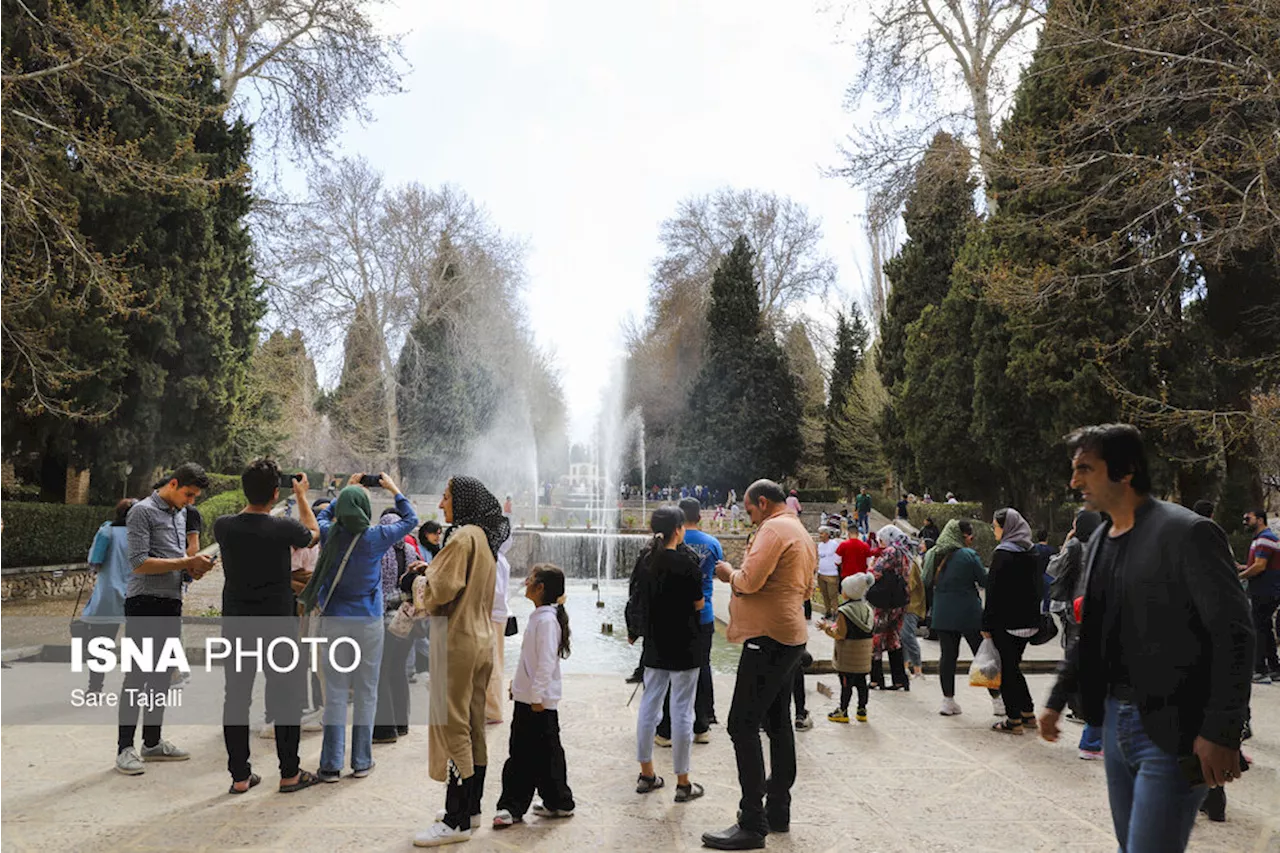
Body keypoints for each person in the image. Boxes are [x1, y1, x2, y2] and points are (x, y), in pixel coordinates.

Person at [1040, 424, 1253, 853]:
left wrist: (1222, 731)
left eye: (1086, 469)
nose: (1074, 481)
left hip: (1175, 731)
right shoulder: (1100, 538)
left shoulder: (1188, 533)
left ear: (1125, 471)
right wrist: (1057, 699)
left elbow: (1235, 633)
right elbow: (1093, 629)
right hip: (1117, 721)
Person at [703, 479, 815, 851]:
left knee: (742, 724)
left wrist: (726, 573)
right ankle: (778, 809)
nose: (749, 517)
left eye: (749, 510)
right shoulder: (800, 530)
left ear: (762, 503)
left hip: (767, 637)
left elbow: (749, 581)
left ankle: (752, 822)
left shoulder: (772, 529)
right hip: (790, 634)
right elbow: (808, 588)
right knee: (778, 721)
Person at [300, 474, 417, 784]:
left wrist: (345, 490)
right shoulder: (376, 537)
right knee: (367, 691)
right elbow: (411, 519)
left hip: (335, 621)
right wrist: (392, 488)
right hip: (368, 623)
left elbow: (321, 514)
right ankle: (362, 761)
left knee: (336, 693)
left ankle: (330, 766)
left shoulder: (329, 534)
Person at [215, 460, 322, 794]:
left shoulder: (224, 526)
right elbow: (313, 535)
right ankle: (290, 773)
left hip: (236, 625)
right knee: (286, 697)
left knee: (236, 698)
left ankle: (240, 777)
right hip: (278, 625)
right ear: (277, 493)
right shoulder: (283, 528)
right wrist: (302, 496)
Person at [411, 476, 506, 848]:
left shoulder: (462, 536)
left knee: (453, 727)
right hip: (481, 640)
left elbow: (439, 592)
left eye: (448, 496)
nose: (441, 502)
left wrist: (418, 581)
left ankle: (456, 820)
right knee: (473, 726)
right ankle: (472, 809)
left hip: (458, 641)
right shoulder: (483, 538)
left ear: (463, 501)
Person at [115, 463, 214, 776]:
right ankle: (124, 748)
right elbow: (139, 563)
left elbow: (175, 560)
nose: (191, 501)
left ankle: (152, 742)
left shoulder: (180, 513)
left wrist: (192, 570)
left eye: (195, 496)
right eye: (188, 494)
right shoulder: (142, 512)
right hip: (144, 602)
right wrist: (185, 561)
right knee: (137, 676)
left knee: (161, 676)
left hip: (172, 601)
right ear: (173, 483)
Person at [630, 506, 706, 805]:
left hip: (655, 645)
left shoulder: (645, 560)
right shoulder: (688, 563)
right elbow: (699, 605)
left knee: (649, 706)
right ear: (678, 529)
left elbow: (635, 598)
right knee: (682, 711)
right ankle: (683, 782)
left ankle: (646, 774)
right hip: (685, 644)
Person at [492, 564, 575, 828]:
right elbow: (530, 660)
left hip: (536, 701)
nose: (525, 582)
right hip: (529, 697)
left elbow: (546, 662)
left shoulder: (547, 621)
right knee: (545, 752)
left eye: (531, 579)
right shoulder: (541, 616)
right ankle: (557, 801)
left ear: (540, 588)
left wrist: (536, 695)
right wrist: (518, 686)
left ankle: (512, 806)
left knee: (523, 752)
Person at [656, 498, 723, 743]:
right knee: (701, 667)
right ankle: (702, 725)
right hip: (703, 615)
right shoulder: (712, 544)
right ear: (700, 516)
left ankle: (666, 728)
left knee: (668, 671)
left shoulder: (665, 545)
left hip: (671, 617)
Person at [923, 520, 1002, 716]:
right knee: (983, 655)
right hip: (969, 613)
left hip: (942, 613)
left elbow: (926, 581)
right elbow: (984, 580)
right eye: (970, 536)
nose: (971, 540)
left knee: (948, 657)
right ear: (962, 536)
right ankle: (998, 701)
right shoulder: (968, 555)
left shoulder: (933, 554)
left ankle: (948, 701)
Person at [1046, 509, 1105, 754]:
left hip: (1076, 610)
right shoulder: (1104, 544)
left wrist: (1065, 544)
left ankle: (1079, 709)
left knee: (1075, 658)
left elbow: (1053, 569)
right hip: (1099, 610)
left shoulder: (1074, 545)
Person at [983, 507, 1042, 734]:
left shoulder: (1002, 554)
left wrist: (986, 624)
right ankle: (1028, 713)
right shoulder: (1032, 552)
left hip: (1005, 623)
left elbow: (994, 593)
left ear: (1005, 528)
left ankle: (1013, 720)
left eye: (996, 527)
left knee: (1007, 671)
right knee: (1013, 667)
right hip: (1028, 623)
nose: (994, 531)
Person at [372, 507, 422, 744]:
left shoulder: (380, 551)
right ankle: (402, 723)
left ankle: (384, 730)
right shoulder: (412, 551)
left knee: (381, 672)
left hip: (385, 618)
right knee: (398, 670)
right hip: (408, 618)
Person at [80, 499, 136, 694]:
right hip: (136, 594)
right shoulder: (142, 535)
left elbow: (94, 561)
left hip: (108, 595)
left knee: (101, 644)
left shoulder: (107, 532)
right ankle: (133, 688)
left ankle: (94, 688)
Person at [819, 573, 875, 723]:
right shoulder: (868, 609)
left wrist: (826, 628)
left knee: (846, 684)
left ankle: (842, 711)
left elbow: (840, 634)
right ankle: (862, 710)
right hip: (863, 654)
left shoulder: (845, 611)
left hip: (848, 655)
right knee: (862, 683)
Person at [868, 525, 912, 691]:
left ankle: (876, 678)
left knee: (877, 637)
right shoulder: (906, 552)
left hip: (885, 602)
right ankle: (900, 679)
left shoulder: (890, 552)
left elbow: (876, 572)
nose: (880, 543)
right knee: (893, 638)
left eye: (881, 539)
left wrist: (869, 570)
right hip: (900, 601)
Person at [1239, 509, 1279, 684]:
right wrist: (1242, 567)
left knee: (1258, 628)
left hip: (1266, 590)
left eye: (1248, 518)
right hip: (1266, 589)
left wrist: (1239, 576)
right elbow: (1256, 565)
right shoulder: (1260, 539)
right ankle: (1274, 668)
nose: (1245, 521)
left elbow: (1260, 566)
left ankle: (1260, 670)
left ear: (1260, 520)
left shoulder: (1264, 538)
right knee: (1264, 628)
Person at [485, 535, 514, 724]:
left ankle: (492, 710)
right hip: (497, 614)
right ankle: (492, 708)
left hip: (492, 615)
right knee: (495, 663)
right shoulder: (499, 558)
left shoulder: (494, 559)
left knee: (492, 664)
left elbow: (496, 593)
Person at [901, 545, 926, 678]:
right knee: (903, 637)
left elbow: (909, 587)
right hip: (903, 606)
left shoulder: (910, 564)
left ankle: (918, 669)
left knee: (907, 636)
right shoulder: (907, 562)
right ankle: (905, 667)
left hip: (911, 606)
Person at [816, 526, 842, 618]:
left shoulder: (834, 544)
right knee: (825, 594)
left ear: (827, 534)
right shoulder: (820, 545)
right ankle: (828, 612)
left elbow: (839, 557)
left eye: (822, 533)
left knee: (833, 595)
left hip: (832, 574)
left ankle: (836, 613)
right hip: (821, 573)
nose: (820, 536)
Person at [1033, 529, 1055, 613]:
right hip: (1047, 576)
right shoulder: (1051, 550)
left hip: (1035, 576)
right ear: (1047, 538)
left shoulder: (1033, 549)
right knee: (1047, 600)